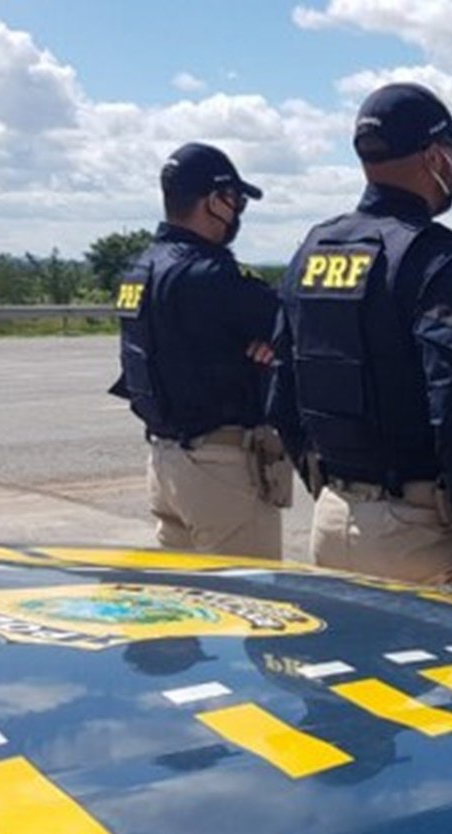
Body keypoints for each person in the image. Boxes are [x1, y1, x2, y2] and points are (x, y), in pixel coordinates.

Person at [270, 83, 452, 603]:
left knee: (353, 683)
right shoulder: (435, 260)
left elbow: (281, 394)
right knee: (441, 684)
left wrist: (334, 493)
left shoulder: (315, 248)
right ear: (435, 156)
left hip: (332, 522)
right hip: (419, 538)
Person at [111, 142, 292, 560]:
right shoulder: (210, 274)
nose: (238, 212)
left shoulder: (139, 270)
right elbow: (291, 321)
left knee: (184, 608)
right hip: (220, 469)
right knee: (257, 607)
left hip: (165, 462)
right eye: (236, 200)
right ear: (215, 201)